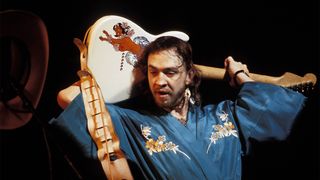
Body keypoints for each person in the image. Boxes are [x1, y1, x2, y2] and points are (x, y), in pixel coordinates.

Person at [50, 36, 306, 179]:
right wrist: (123, 77)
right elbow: (68, 97)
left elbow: (273, 112)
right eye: (152, 73)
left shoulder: (224, 115)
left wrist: (241, 76)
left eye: (170, 72)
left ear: (190, 77)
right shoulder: (133, 124)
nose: (160, 81)